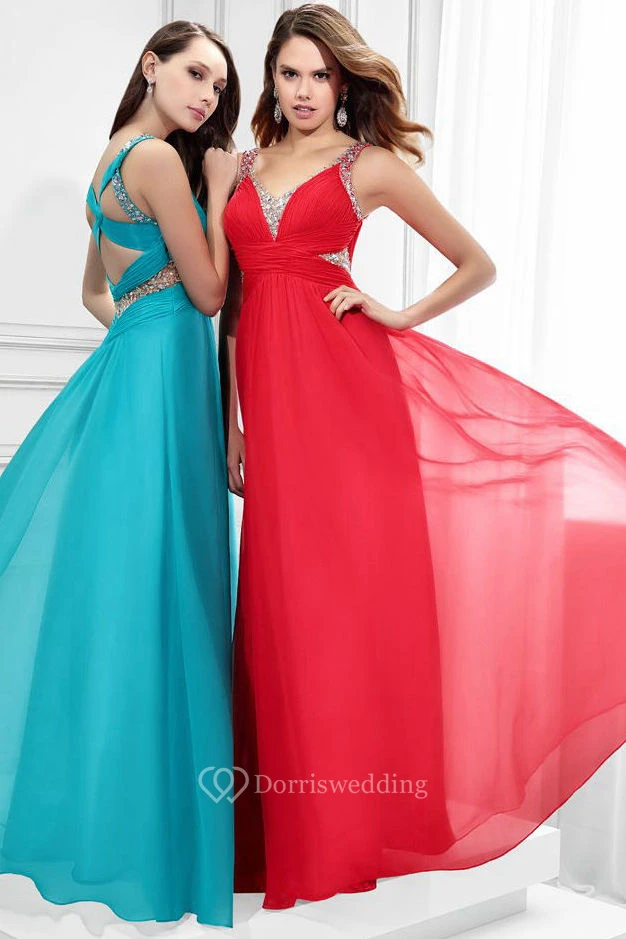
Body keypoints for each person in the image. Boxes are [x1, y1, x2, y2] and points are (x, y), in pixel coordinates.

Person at [220, 1, 626, 914]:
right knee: (281, 603)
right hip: (273, 415)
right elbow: (235, 307)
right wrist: (233, 424)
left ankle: (351, 824)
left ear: (344, 83)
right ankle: (292, 822)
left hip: (349, 405)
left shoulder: (369, 166)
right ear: (271, 79)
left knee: (342, 607)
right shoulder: (239, 169)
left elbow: (476, 263)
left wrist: (397, 314)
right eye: (290, 73)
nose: (305, 90)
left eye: (321, 75)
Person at [0, 20, 240, 928]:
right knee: (171, 585)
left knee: (142, 586)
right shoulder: (161, 161)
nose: (208, 95)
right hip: (165, 387)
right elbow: (210, 293)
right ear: (151, 66)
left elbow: (94, 291)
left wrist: (140, 334)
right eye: (195, 74)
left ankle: (130, 821)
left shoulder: (108, 162)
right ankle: (164, 840)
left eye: (218, 85)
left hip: (143, 375)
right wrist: (221, 190)